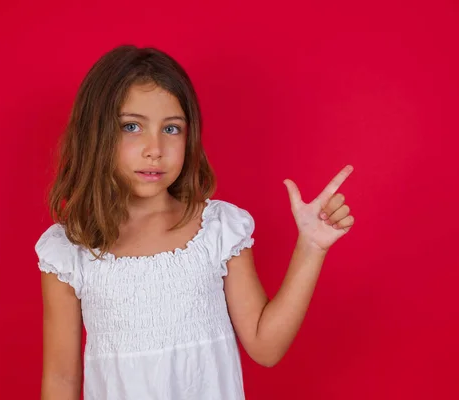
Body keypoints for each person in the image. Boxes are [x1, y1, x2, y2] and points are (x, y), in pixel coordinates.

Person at [35, 44, 355, 400]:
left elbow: (266, 347)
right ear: (94, 134)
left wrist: (311, 247)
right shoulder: (69, 250)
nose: (154, 148)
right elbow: (61, 379)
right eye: (131, 127)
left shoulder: (216, 230)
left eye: (171, 129)